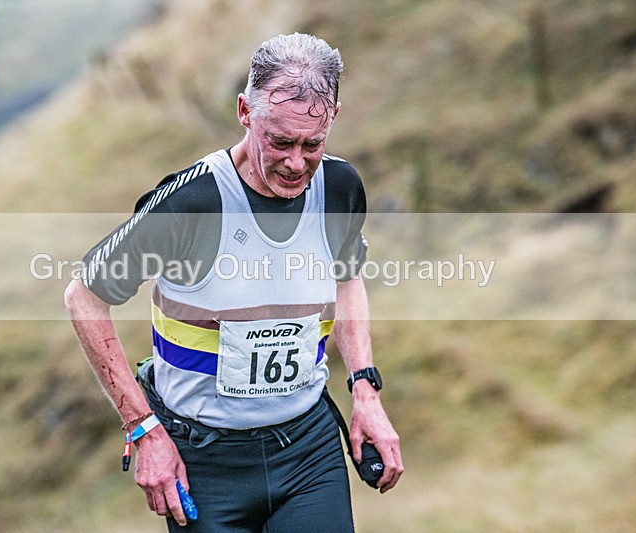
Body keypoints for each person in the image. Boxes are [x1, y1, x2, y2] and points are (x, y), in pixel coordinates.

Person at [65, 32, 403, 531]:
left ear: (332, 117)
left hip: (308, 452)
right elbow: (85, 297)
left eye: (313, 144)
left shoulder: (339, 187)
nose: (295, 162)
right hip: (204, 462)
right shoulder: (191, 205)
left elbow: (347, 279)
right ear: (245, 111)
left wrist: (365, 391)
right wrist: (144, 430)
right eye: (280, 141)